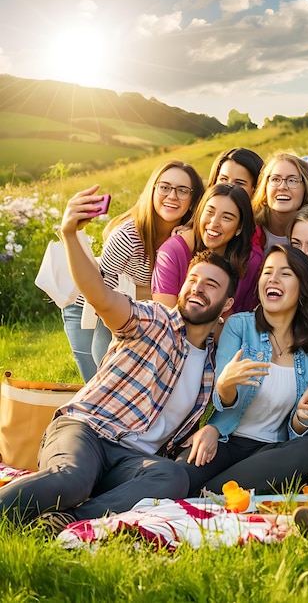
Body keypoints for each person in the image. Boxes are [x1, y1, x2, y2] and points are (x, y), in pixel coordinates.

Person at [0, 186, 237, 533]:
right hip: (86, 430)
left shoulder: (214, 367)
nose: (197, 288)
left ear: (227, 306)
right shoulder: (154, 320)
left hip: (129, 461)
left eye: (211, 285)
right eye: (193, 280)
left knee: (172, 476)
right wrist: (69, 234)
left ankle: (67, 521)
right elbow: (98, 294)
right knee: (72, 479)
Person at [176, 244, 308, 496]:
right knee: (177, 476)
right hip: (225, 440)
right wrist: (225, 385)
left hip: (272, 454)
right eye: (267, 272)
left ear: (302, 286)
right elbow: (222, 397)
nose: (273, 279)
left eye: (285, 273)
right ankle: (219, 492)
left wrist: (303, 415)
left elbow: (302, 432)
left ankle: (209, 494)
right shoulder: (240, 326)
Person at [62, 160, 205, 380]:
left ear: (193, 200)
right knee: (97, 375)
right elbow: (100, 293)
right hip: (87, 307)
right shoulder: (128, 236)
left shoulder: (187, 237)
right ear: (153, 190)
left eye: (182, 190)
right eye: (165, 187)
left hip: (130, 305)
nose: (172, 196)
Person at [152, 183, 262, 314]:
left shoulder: (251, 260)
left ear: (239, 228)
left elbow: (243, 320)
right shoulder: (172, 252)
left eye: (226, 217)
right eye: (209, 212)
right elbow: (165, 316)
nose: (214, 223)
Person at [251, 152, 308, 254]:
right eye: (275, 179)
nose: (282, 187)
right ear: (265, 187)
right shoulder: (248, 228)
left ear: (307, 188)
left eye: (292, 180)